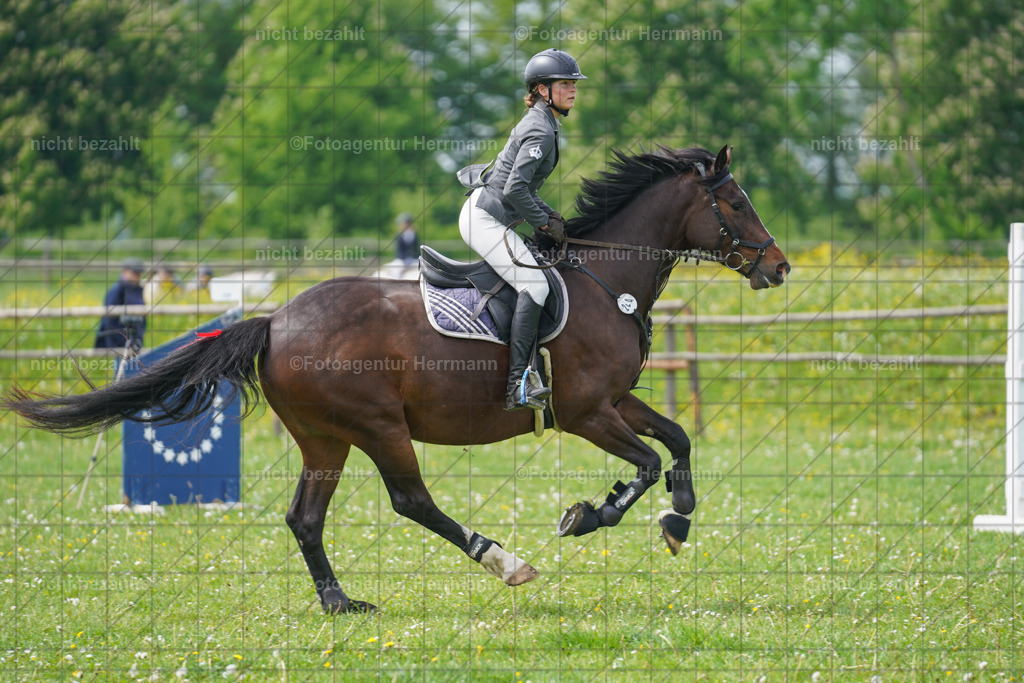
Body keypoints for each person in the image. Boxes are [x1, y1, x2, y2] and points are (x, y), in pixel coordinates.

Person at [456, 48, 585, 411]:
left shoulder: (544, 122)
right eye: (565, 84)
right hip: (484, 218)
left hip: (497, 214)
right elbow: (514, 189)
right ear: (543, 90)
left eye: (574, 83)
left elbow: (522, 190)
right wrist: (544, 221)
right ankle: (519, 383)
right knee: (535, 283)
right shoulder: (540, 129)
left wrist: (552, 217)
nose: (573, 89)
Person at [95, 257, 146, 349]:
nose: (138, 276)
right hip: (117, 343)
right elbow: (109, 321)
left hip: (134, 340)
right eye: (135, 273)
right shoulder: (116, 291)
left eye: (139, 273)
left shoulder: (138, 290)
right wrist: (124, 341)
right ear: (124, 272)